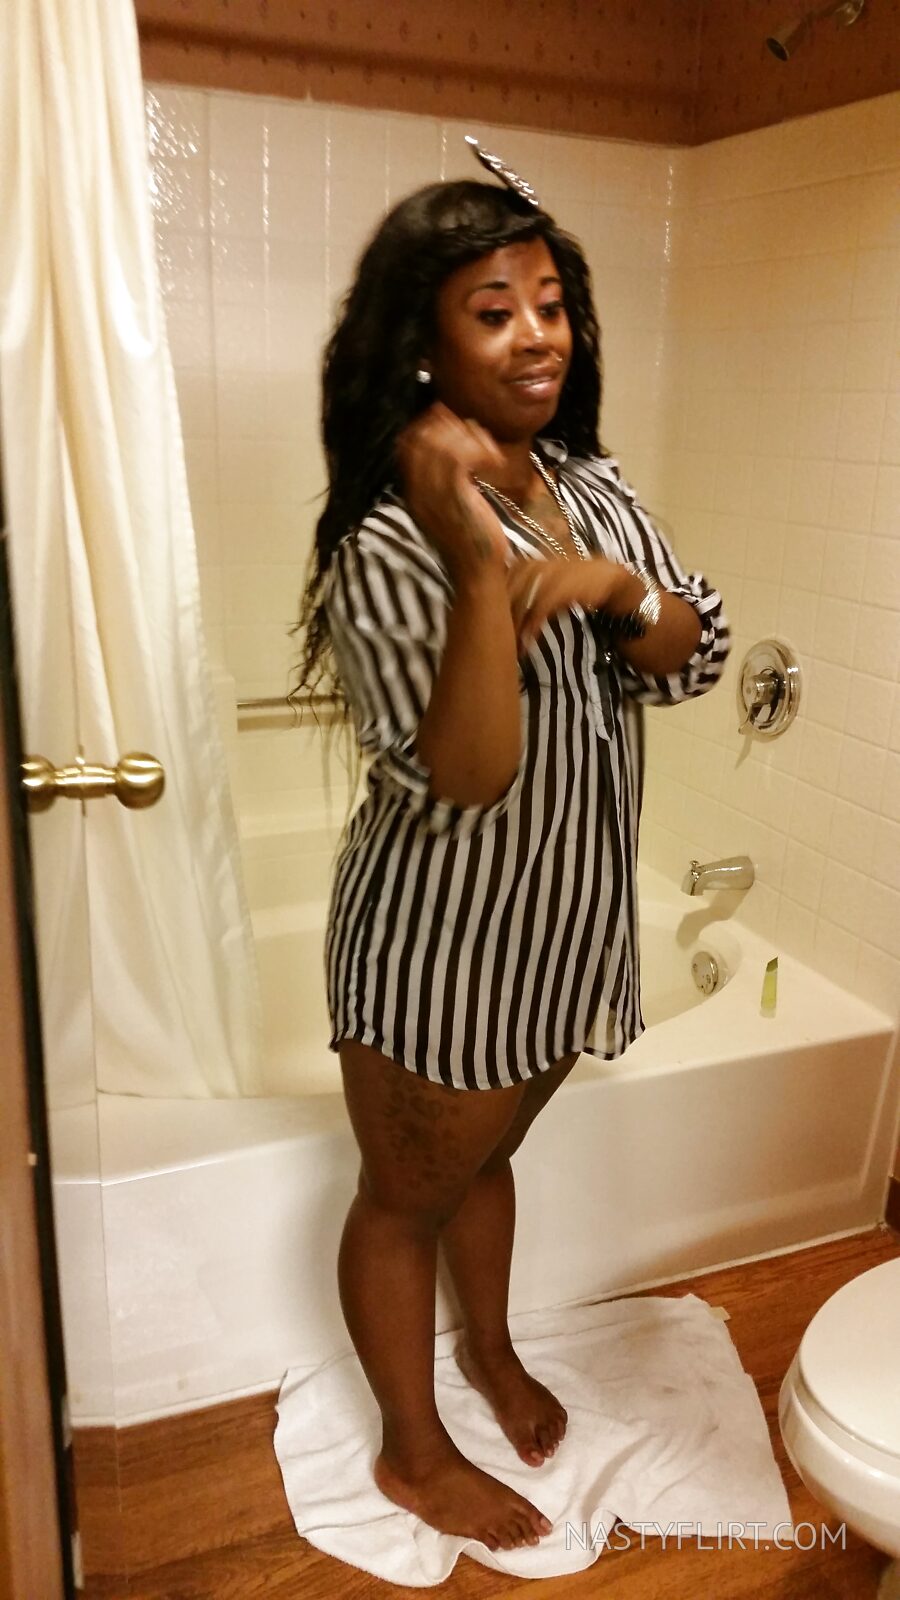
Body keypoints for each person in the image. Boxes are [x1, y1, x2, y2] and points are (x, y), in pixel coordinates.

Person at [293, 156, 731, 1555]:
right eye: (495, 311)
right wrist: (480, 562)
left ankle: (485, 1350)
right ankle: (413, 1453)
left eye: (551, 304)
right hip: (444, 953)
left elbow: (694, 652)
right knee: (406, 1198)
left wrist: (611, 584)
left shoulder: (595, 490)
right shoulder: (387, 543)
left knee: (487, 1165)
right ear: (423, 346)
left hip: (563, 934)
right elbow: (471, 776)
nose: (540, 335)